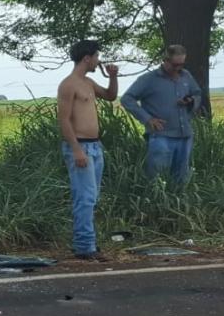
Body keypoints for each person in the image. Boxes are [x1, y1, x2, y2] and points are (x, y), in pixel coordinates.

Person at [57, 39, 119, 260]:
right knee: (84, 197)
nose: (98, 61)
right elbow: (64, 120)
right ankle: (85, 246)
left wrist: (113, 76)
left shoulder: (89, 82)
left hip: (95, 145)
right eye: (96, 57)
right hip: (80, 146)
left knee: (92, 197)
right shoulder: (68, 85)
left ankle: (87, 242)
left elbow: (110, 96)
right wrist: (76, 150)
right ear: (87, 58)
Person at [120, 45, 203, 185]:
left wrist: (191, 101)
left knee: (181, 180)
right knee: (158, 180)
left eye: (182, 64)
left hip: (185, 135)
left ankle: (177, 199)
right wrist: (148, 119)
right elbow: (127, 99)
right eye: (175, 65)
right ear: (165, 60)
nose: (178, 68)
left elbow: (197, 94)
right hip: (161, 136)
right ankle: (155, 199)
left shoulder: (186, 76)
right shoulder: (148, 79)